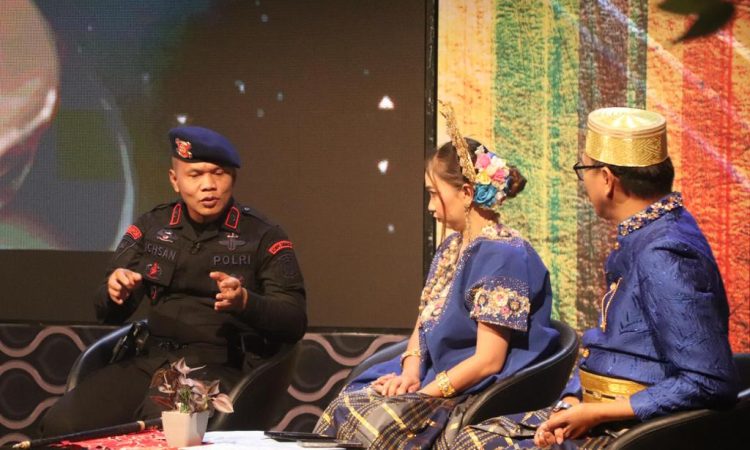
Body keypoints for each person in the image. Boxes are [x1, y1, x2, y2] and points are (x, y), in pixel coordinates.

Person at [449, 107, 740, 449]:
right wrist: (572, 400)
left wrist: (599, 413)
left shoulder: (664, 252)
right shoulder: (647, 234)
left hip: (634, 434)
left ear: (606, 178)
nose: (583, 182)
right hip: (600, 414)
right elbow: (609, 342)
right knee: (469, 436)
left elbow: (710, 381)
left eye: (583, 169)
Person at [313, 105, 559, 450]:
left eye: (433, 193)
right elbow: (425, 319)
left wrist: (424, 394)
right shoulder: (451, 248)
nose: (430, 206)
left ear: (467, 193)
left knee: (377, 426)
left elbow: (488, 360)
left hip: (472, 391)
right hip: (433, 376)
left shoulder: (503, 256)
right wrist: (409, 373)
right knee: (348, 406)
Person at [40, 126, 306, 435]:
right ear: (174, 179)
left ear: (233, 178)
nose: (209, 185)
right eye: (195, 175)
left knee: (164, 431)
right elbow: (106, 311)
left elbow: (294, 320)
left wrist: (246, 302)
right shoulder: (151, 226)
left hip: (213, 367)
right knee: (60, 426)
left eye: (218, 173)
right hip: (149, 360)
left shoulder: (263, 235)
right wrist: (115, 292)